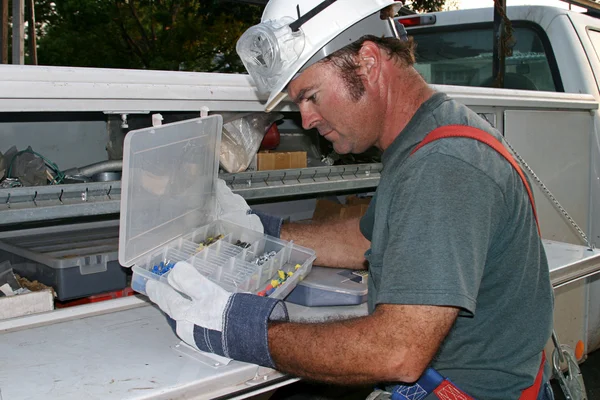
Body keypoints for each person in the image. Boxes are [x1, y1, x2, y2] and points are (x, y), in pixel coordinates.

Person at [146, 1, 555, 398]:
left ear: (368, 62)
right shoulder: (428, 133)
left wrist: (242, 329)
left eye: (310, 96)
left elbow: (396, 352)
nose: (305, 120)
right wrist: (258, 231)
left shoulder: (442, 164)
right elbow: (368, 240)